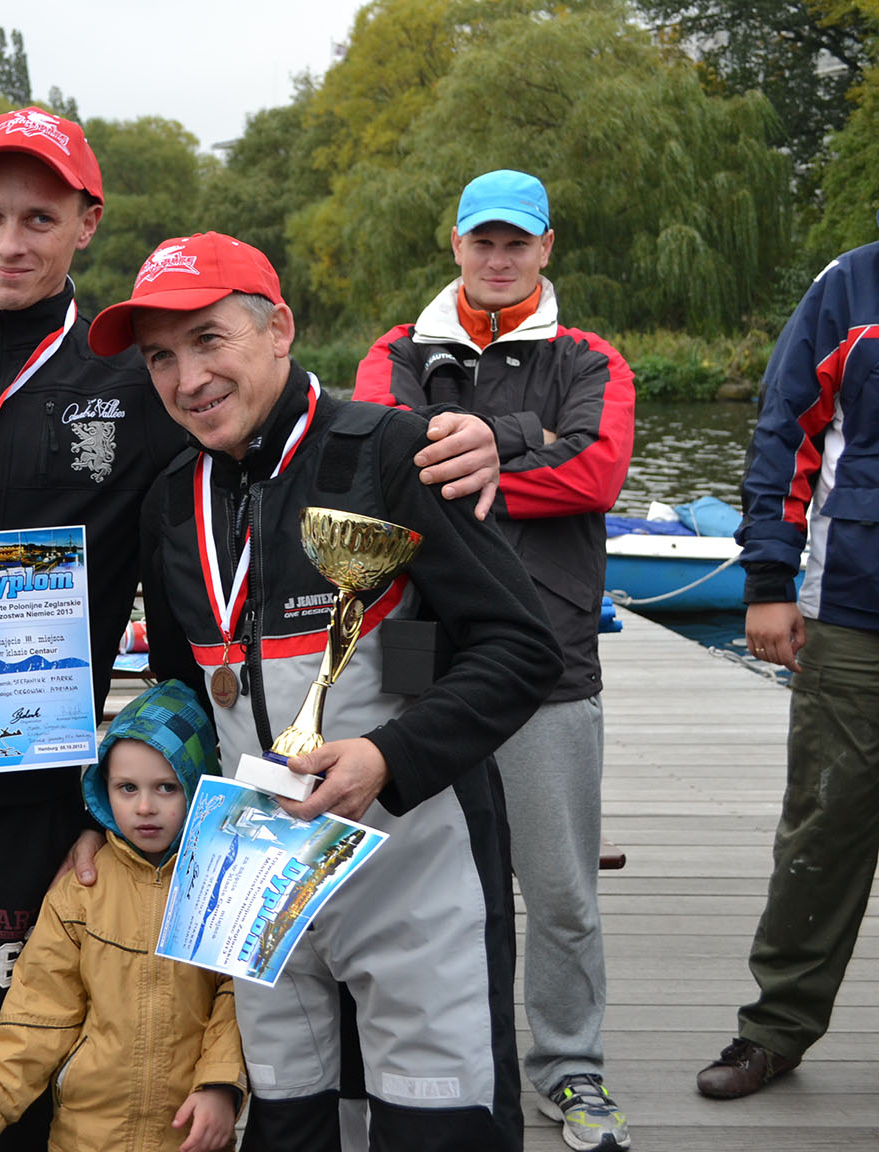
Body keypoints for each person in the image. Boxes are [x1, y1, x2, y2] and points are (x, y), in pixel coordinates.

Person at [0, 106, 501, 1152]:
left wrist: (453, 438)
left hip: (30, 809)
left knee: (49, 1098)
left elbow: (270, 424)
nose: (11, 241)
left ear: (87, 224)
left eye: (40, 218)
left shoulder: (138, 377)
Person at [90, 230, 563, 1151]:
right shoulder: (170, 499)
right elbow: (184, 693)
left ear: (279, 329)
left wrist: (389, 755)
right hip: (260, 885)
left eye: (209, 340)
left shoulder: (397, 453)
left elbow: (520, 648)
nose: (188, 379)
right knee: (293, 1129)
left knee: (436, 1129)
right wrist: (118, 811)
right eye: (161, 358)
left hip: (412, 865)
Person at [354, 170, 636, 1151]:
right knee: (413, 884)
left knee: (560, 894)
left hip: (550, 664)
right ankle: (422, 1059)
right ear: (458, 246)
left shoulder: (590, 356)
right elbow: (383, 465)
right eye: (484, 241)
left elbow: (596, 469)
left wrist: (483, 449)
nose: (499, 258)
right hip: (420, 661)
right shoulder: (395, 351)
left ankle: (571, 1068)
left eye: (518, 242)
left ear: (546, 248)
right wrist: (529, 440)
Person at [694, 232, 879, 1100]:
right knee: (824, 829)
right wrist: (770, 580)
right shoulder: (850, 285)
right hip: (853, 611)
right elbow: (784, 435)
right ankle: (776, 1028)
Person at [0, 679, 245, 1152]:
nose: (145, 807)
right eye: (127, 788)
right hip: (85, 1135)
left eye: (167, 787)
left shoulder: (224, 887)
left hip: (189, 1131)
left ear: (200, 786)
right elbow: (38, 1010)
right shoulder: (80, 892)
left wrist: (220, 1086)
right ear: (103, 788)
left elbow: (237, 1000)